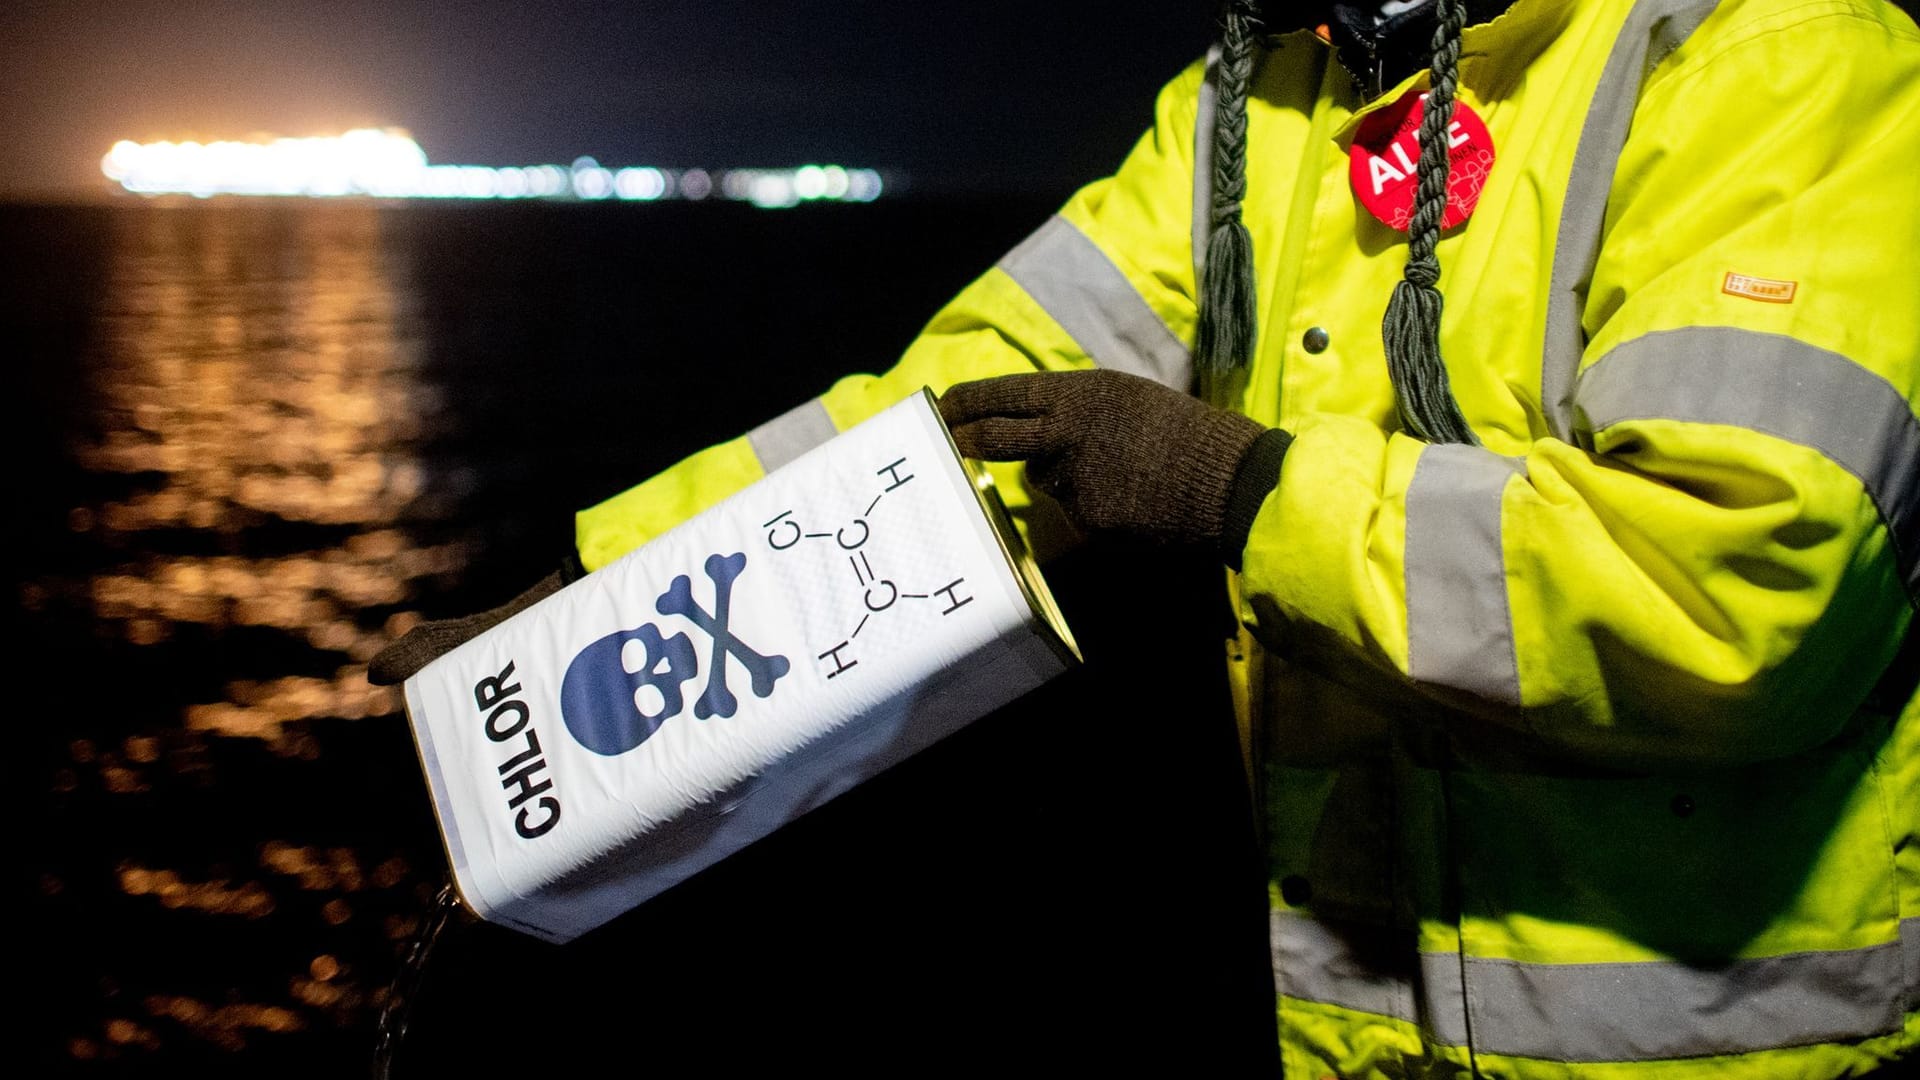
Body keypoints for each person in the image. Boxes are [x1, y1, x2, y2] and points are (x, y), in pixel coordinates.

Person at [373, 0, 1920, 1073]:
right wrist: (602, 593)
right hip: (1346, 1043)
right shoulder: (1263, 103)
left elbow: (1737, 588)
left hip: (1730, 1060)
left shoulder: (1773, 56)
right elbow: (950, 409)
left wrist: (1240, 492)